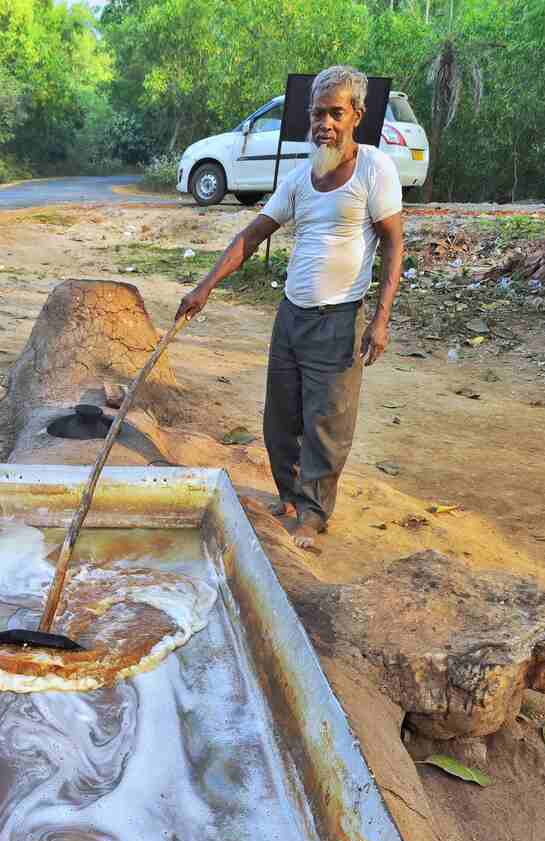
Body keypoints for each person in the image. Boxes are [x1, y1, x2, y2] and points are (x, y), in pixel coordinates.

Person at [177, 65, 404, 549]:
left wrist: (381, 319)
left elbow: (393, 244)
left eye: (335, 113)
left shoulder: (373, 169)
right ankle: (289, 494)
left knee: (328, 421)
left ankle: (315, 512)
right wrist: (204, 287)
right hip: (291, 314)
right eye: (317, 113)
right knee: (281, 416)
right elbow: (252, 234)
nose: (324, 123)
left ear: (356, 116)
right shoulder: (302, 176)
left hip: (339, 317)